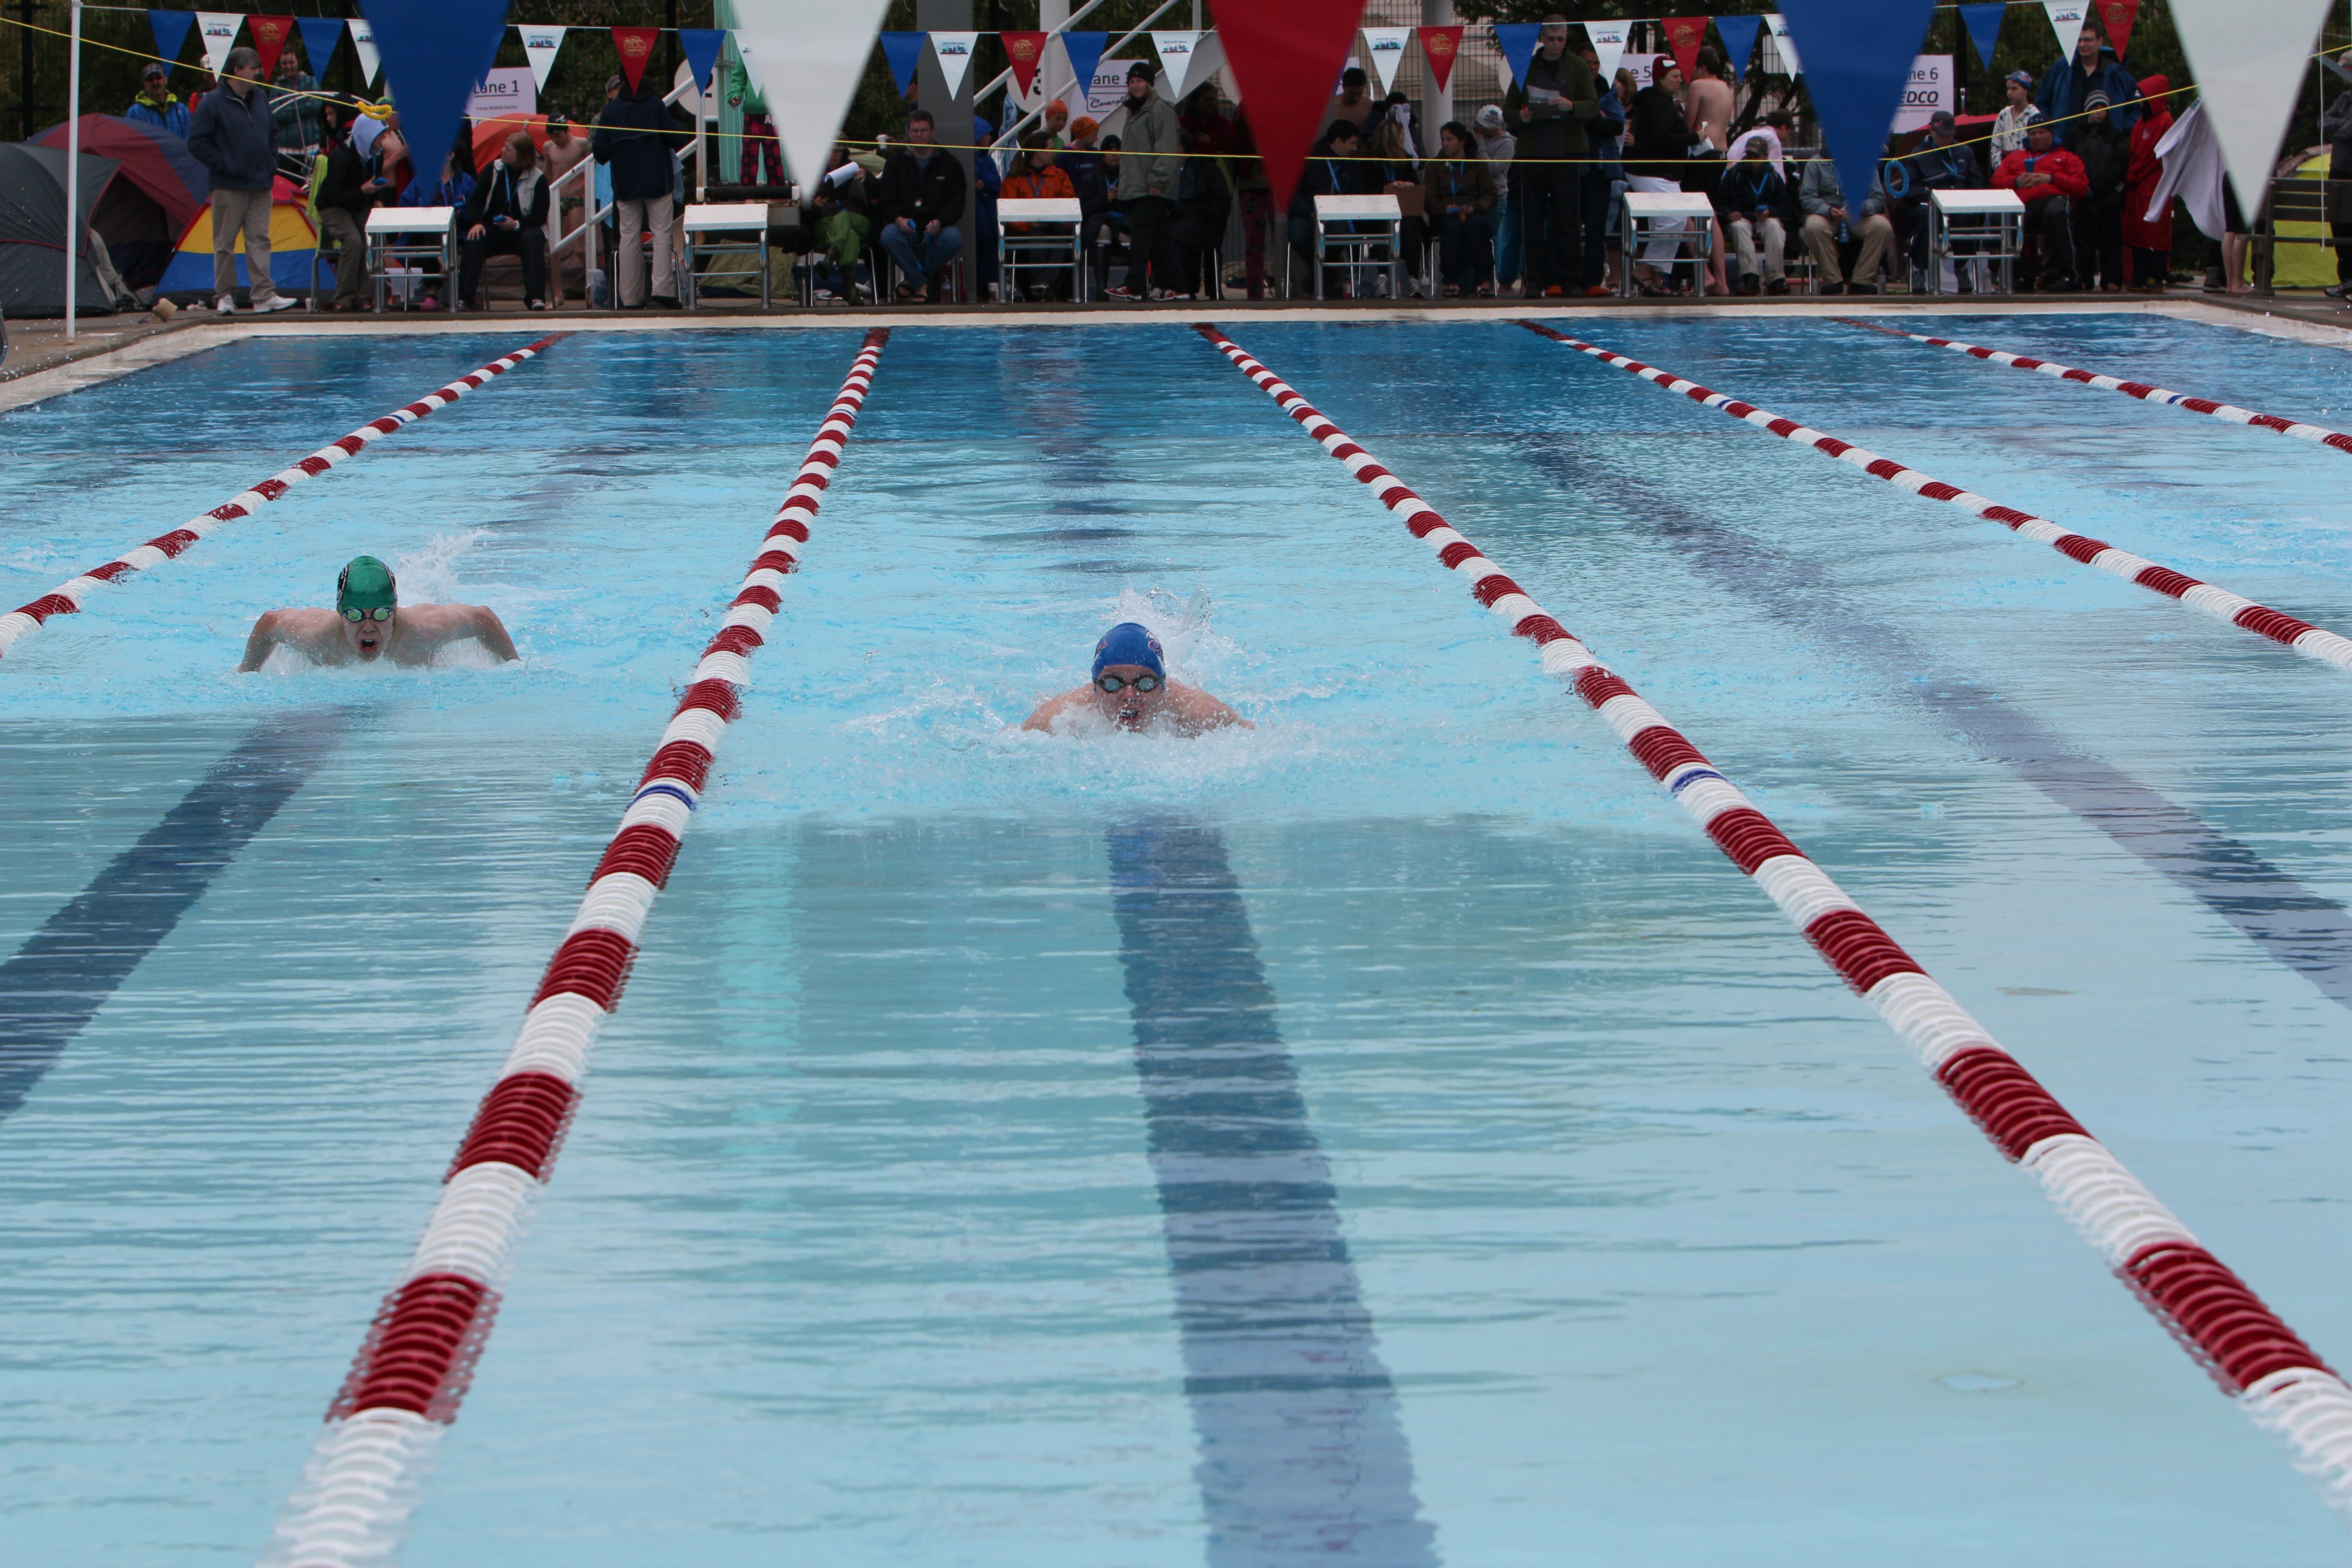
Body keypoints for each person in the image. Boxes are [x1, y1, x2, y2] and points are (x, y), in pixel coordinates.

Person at [239, 556, 518, 671]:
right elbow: (269, 623)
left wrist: (512, 666)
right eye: (356, 616)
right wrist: (246, 672)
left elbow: (482, 618)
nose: (370, 627)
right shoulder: (315, 636)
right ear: (340, 612)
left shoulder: (426, 629)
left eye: (382, 614)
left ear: (396, 611)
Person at [187, 48, 295, 314]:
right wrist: (225, 165)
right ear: (237, 70)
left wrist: (271, 162)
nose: (258, 73)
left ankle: (264, 296)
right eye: (253, 68)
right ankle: (225, 295)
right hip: (228, 184)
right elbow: (196, 142)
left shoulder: (260, 97)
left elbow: (272, 132)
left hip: (260, 182)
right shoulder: (212, 102)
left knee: (260, 239)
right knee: (225, 242)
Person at [1021, 622, 1248, 736]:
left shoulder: (1200, 714)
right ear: (1094, 688)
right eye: (1112, 684)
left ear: (1162, 686)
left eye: (1145, 684)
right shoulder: (1059, 716)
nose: (1129, 696)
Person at [1515, 15, 1600, 299]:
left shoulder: (1577, 66)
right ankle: (1535, 281)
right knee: (1533, 219)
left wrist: (1572, 105)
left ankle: (1571, 281)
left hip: (1567, 151)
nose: (1556, 44)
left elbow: (1592, 107)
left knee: (1568, 219)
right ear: (1542, 38)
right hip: (1534, 152)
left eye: (1561, 39)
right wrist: (1522, 116)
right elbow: (1508, 112)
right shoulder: (1525, 65)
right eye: (1551, 39)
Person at [594, 72, 681, 308]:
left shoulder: (611, 111)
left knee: (629, 238)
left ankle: (630, 297)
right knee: (661, 234)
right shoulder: (655, 105)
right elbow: (676, 136)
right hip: (657, 181)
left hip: (626, 184)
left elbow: (600, 153)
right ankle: (662, 290)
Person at [1108, 61, 1186, 300]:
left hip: (1151, 187)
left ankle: (1135, 286)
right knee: (1161, 239)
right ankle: (1177, 286)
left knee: (1141, 237)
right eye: (1132, 81)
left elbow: (1166, 149)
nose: (1135, 85)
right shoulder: (1134, 111)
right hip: (1140, 185)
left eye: (1140, 81)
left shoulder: (1159, 110)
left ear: (1149, 83)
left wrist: (1158, 179)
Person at [1625, 55, 1700, 294]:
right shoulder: (1657, 103)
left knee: (1664, 223)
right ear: (1660, 78)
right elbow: (1663, 140)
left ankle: (1659, 280)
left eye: (1680, 76)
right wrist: (1695, 138)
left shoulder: (1662, 102)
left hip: (1659, 171)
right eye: (1675, 76)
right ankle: (1644, 269)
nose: (1680, 80)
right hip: (1652, 170)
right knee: (1675, 219)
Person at [875, 109, 965, 303]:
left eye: (923, 130)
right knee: (888, 236)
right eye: (915, 131)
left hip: (937, 226)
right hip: (906, 224)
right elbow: (886, 199)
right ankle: (921, 284)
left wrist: (940, 222)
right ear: (909, 132)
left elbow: (957, 202)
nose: (919, 135)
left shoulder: (950, 164)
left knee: (953, 239)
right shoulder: (895, 162)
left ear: (933, 131)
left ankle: (912, 280)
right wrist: (899, 220)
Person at [457, 130, 551, 311]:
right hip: (492, 228)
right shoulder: (492, 169)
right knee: (475, 238)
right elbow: (476, 202)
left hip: (521, 229)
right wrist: (476, 222)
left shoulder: (538, 178)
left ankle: (535, 298)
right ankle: (465, 299)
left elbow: (540, 215)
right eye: (504, 147)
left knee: (533, 238)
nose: (503, 151)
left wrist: (516, 224)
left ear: (521, 154)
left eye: (508, 149)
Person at [1993, 113, 2087, 290]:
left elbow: (2082, 186)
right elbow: (1995, 182)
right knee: (2006, 219)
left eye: (2042, 132)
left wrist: (2051, 178)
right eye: (2033, 133)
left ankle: (2066, 274)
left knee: (2055, 214)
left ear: (2052, 134)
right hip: (2024, 204)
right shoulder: (2015, 157)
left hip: (2054, 199)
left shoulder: (2067, 157)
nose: (2037, 137)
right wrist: (2016, 182)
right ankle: (2021, 276)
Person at [1289, 120, 1378, 296]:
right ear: (1338, 142)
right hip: (1309, 214)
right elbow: (1293, 192)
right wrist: (1311, 212)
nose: (1355, 149)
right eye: (1352, 143)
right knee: (1297, 234)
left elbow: (1357, 193)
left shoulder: (1352, 164)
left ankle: (1321, 272)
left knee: (1342, 234)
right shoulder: (1309, 157)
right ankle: (1325, 271)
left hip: (1339, 215)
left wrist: (1344, 208)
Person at [312, 99, 383, 311]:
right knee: (353, 242)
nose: (384, 140)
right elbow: (334, 196)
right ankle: (343, 298)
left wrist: (377, 199)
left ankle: (364, 297)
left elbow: (375, 183)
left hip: (356, 203)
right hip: (332, 206)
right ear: (367, 136)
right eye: (380, 136)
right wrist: (363, 191)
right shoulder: (340, 157)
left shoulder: (375, 155)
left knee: (371, 237)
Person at [1897, 110, 1984, 283]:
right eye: (1941, 135)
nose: (1945, 139)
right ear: (1931, 130)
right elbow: (1908, 190)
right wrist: (1930, 195)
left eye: (1949, 136)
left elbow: (1977, 185)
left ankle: (1962, 267)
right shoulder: (1917, 153)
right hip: (1929, 204)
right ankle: (1919, 269)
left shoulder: (1964, 152)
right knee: (1928, 218)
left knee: (1967, 217)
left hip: (1957, 203)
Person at [1798, 154, 1893, 294]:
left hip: (1858, 215)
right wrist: (1828, 210)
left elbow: (1877, 197)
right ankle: (1832, 280)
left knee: (1882, 227)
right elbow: (1807, 197)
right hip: (1826, 214)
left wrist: (1863, 207)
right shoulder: (1815, 164)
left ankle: (1862, 280)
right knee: (1814, 227)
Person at [2035, 22, 2140, 146]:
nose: (2082, 45)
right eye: (2079, 40)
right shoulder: (2062, 67)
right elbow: (2042, 100)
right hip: (2064, 145)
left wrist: (2122, 130)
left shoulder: (2116, 72)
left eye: (2088, 40)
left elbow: (2136, 108)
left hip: (2105, 148)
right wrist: (2051, 128)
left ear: (2100, 41)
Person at [1001, 132, 1078, 299]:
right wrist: (1029, 225)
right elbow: (1007, 214)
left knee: (1062, 239)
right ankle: (1042, 287)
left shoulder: (1061, 177)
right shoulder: (1014, 179)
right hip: (1026, 232)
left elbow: (1070, 206)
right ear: (1039, 152)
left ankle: (1042, 285)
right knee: (1038, 237)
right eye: (1051, 149)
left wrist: (1059, 221)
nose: (1055, 153)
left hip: (1056, 229)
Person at [1425, 121, 1497, 296]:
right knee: (1452, 228)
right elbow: (1429, 199)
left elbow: (1491, 195)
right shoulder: (1435, 166)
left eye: (1450, 139)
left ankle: (1483, 279)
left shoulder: (1477, 164)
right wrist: (1446, 208)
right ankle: (1450, 280)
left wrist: (1475, 207)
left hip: (1473, 212)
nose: (1445, 144)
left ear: (1462, 141)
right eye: (1443, 140)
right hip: (1446, 214)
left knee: (1477, 226)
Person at [1576, 39, 1624, 296]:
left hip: (1600, 168)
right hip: (1575, 166)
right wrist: (1597, 116)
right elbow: (1571, 118)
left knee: (1597, 228)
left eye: (1597, 62)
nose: (1593, 67)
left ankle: (1592, 280)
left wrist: (1588, 116)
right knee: (1569, 226)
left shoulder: (1605, 87)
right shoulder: (1571, 86)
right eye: (1588, 62)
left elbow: (1617, 124)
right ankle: (1569, 278)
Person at [2071, 92, 2129, 290]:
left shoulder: (2116, 135)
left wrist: (2099, 187)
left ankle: (2112, 279)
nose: (2099, 113)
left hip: (2109, 197)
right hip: (2083, 197)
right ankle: (2084, 279)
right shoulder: (2075, 134)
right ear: (2088, 110)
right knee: (2083, 243)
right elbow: (2071, 163)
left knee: (2111, 243)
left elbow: (2120, 165)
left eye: (2103, 108)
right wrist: (2082, 187)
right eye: (2095, 108)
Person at [2123, 74, 2176, 291]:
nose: (2139, 101)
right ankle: (2139, 276)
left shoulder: (2165, 121)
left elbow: (2157, 155)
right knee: (2138, 231)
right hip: (2139, 184)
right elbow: (2136, 153)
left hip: (2155, 185)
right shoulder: (2141, 122)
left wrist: (2133, 173)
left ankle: (2157, 277)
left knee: (2156, 231)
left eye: (2143, 97)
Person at [1718, 132, 1788, 294]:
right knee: (1738, 228)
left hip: (1765, 218)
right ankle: (1750, 277)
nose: (1752, 158)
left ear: (1765, 156)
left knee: (1775, 228)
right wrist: (1729, 214)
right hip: (1742, 216)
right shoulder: (1734, 174)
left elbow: (1785, 208)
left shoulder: (1774, 177)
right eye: (1749, 154)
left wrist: (1771, 212)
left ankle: (1776, 277)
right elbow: (1721, 202)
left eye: (1756, 155)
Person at [812, 145, 874, 302]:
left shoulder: (855, 169)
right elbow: (804, 209)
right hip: (826, 223)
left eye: (838, 151)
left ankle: (829, 258)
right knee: (849, 234)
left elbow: (876, 191)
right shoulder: (813, 174)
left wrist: (867, 177)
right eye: (830, 150)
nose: (834, 155)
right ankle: (850, 290)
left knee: (845, 217)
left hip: (857, 219)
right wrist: (815, 205)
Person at [1472, 104, 1521, 295]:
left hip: (1498, 196)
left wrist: (1481, 146)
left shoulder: (1507, 143)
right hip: (1479, 196)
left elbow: (1491, 169)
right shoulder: (1482, 138)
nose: (1479, 131)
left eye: (1482, 127)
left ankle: (1499, 279)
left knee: (1497, 240)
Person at [726, 45, 783, 186]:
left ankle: (777, 192)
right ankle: (747, 193)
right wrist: (736, 95)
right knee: (749, 155)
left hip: (772, 112)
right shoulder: (747, 52)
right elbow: (738, 79)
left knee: (773, 155)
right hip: (752, 113)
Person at [270, 46, 323, 177]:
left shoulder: (312, 82)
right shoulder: (276, 87)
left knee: (310, 188)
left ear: (298, 62)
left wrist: (289, 107)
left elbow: (317, 106)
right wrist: (304, 105)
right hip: (285, 150)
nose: (288, 66)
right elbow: (276, 114)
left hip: (311, 147)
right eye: (284, 63)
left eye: (291, 62)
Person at [2325, 55, 2352, 300]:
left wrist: (2340, 126)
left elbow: (2347, 133)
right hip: (2339, 169)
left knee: (2349, 226)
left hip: (2349, 171)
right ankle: (2346, 279)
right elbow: (2323, 122)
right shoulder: (2344, 99)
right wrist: (2343, 123)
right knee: (2339, 226)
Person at [126, 62, 189, 139]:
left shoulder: (181, 110)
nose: (155, 82)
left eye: (159, 77)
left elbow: (191, 140)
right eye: (150, 79)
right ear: (145, 84)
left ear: (165, 79)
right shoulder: (135, 112)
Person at [1990, 70, 2036, 165]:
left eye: (2014, 89)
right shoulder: (2004, 114)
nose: (2009, 93)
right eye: (2008, 89)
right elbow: (1995, 146)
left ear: (2025, 90)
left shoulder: (2034, 115)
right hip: (2004, 169)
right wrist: (2003, 169)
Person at [1326, 67, 1377, 138]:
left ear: (1364, 87)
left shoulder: (1371, 107)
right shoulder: (1330, 107)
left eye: (1360, 93)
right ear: (1344, 87)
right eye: (1352, 94)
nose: (1356, 98)